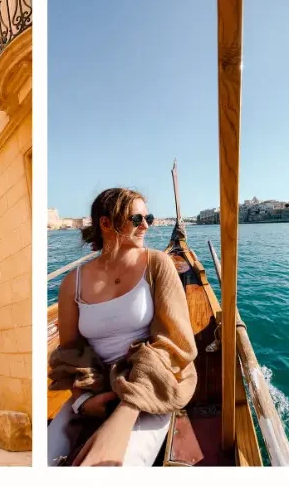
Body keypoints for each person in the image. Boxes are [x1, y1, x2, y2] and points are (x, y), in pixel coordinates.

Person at [47, 188, 197, 466]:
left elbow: (173, 343)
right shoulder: (73, 283)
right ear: (106, 224)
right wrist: (82, 402)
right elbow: (70, 352)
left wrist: (126, 409)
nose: (146, 225)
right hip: (95, 388)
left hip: (152, 384)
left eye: (148, 217)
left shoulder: (158, 264)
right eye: (136, 218)